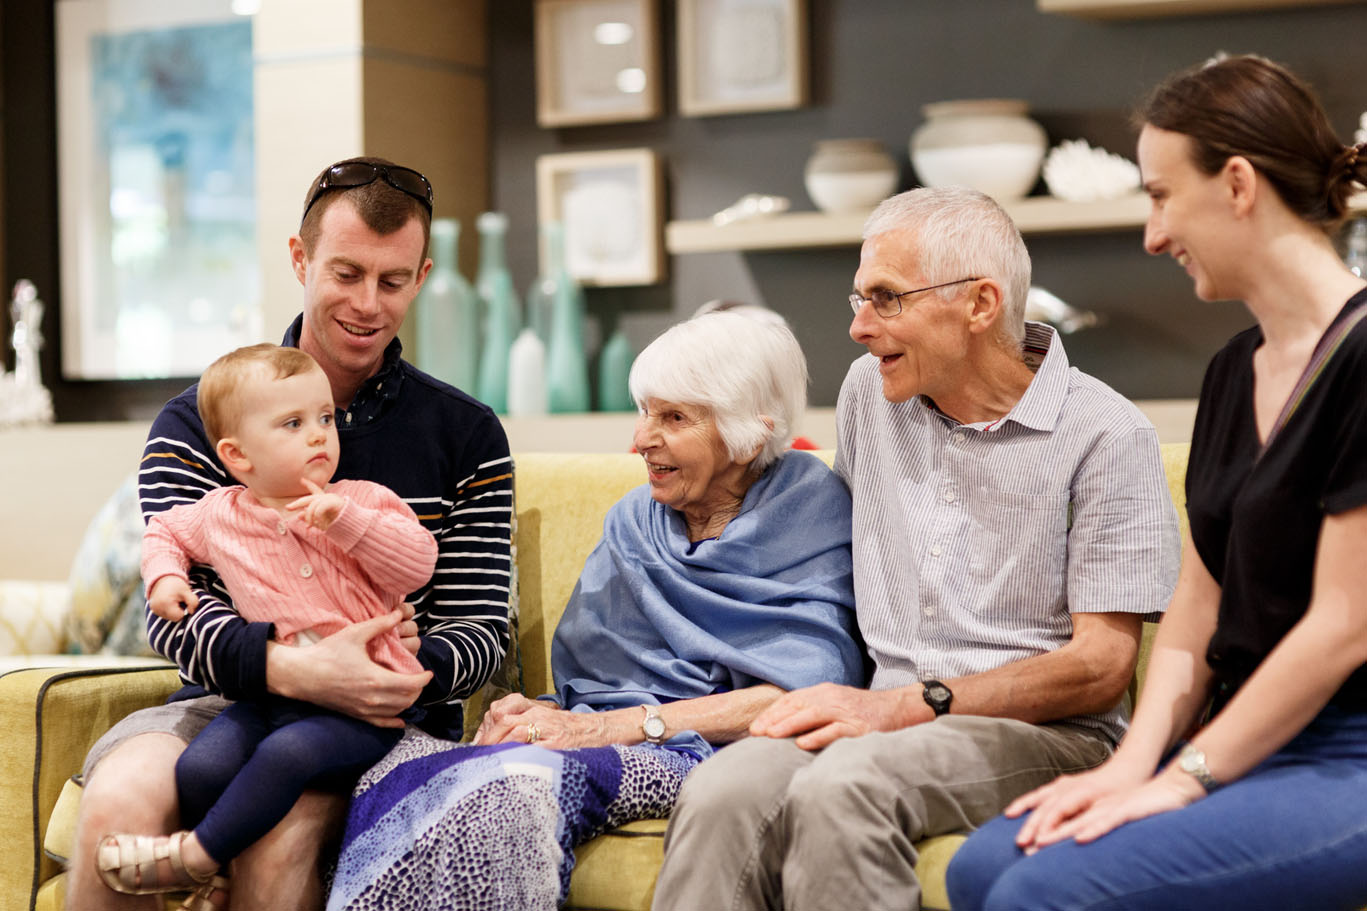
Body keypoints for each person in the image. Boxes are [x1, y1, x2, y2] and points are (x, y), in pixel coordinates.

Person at [651, 186, 1181, 911]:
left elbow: (1100, 668)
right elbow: (819, 554)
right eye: (857, 299)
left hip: (1045, 734)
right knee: (719, 790)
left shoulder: (1105, 435)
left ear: (979, 304)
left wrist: (917, 703)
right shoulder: (871, 395)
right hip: (879, 713)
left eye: (886, 298)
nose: (860, 327)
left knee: (847, 785)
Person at [946, 55, 1367, 911]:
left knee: (1043, 892)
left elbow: (1342, 626)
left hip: (1348, 755)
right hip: (1247, 738)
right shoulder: (1231, 370)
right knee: (983, 866)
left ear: (1238, 184)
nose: (1151, 234)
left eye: (1160, 194)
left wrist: (1182, 781)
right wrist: (1133, 763)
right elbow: (1196, 601)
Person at [68, 157, 514, 911]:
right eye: (346, 272)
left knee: (282, 835)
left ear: (422, 275)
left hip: (389, 712)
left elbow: (480, 624)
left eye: (393, 280)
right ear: (300, 258)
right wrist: (295, 671)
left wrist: (396, 672)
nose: (369, 304)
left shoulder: (465, 433)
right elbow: (174, 611)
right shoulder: (202, 422)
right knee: (117, 806)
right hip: (231, 700)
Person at [325, 310, 866, 911]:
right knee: (391, 769)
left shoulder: (810, 509)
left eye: (674, 418)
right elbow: (587, 685)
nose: (641, 439)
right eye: (645, 412)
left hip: (708, 752)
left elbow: (801, 694)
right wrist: (544, 714)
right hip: (602, 730)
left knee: (516, 789)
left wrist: (616, 727)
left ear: (749, 435)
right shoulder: (636, 518)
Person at [95, 344, 438, 909]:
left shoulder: (363, 501)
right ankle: (221, 875)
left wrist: (346, 522)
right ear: (239, 455)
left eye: (326, 419)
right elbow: (164, 532)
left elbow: (417, 562)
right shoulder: (220, 514)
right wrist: (164, 580)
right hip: (270, 696)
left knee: (286, 756)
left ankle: (194, 858)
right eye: (294, 424)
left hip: (364, 709)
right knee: (202, 767)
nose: (319, 436)